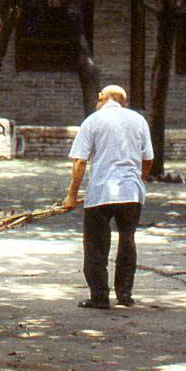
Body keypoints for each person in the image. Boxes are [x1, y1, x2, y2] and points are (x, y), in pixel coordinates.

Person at [62, 85, 154, 309]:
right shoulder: (138, 120)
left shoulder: (92, 121)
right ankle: (125, 295)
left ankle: (99, 296)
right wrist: (140, 179)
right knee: (127, 240)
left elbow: (80, 162)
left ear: (101, 97)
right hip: (131, 192)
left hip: (101, 192)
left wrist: (71, 195)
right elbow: (148, 159)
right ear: (124, 101)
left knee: (95, 245)